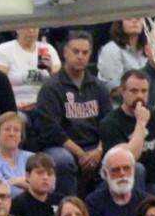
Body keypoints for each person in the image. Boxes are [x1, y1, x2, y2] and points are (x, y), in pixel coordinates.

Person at [30, 31, 111, 196]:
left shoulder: (98, 87)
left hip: (94, 147)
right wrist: (80, 154)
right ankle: (66, 210)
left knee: (119, 158)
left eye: (85, 52)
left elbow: (109, 123)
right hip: (61, 147)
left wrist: (99, 151)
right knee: (63, 160)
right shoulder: (51, 87)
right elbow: (51, 129)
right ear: (65, 53)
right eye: (76, 51)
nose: (80, 56)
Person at [99, 69, 155, 200]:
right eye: (134, 91)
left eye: (144, 91)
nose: (139, 96)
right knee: (137, 168)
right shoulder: (110, 123)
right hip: (118, 186)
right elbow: (130, 157)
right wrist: (141, 123)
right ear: (123, 92)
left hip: (150, 183)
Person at [84, 146, 147, 216]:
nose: (122, 174)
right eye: (115, 170)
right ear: (105, 173)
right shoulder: (93, 203)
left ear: (134, 171)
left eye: (126, 168)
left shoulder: (146, 202)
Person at [0, 28, 60, 113]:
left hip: (43, 106)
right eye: (27, 27)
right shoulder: (4, 49)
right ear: (17, 29)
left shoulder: (48, 49)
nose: (31, 30)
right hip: (15, 106)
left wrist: (50, 70)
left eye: (34, 27)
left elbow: (60, 83)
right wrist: (12, 105)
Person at [0, 112, 31, 197]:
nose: (12, 134)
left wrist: (13, 181)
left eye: (16, 130)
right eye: (7, 129)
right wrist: (28, 183)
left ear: (21, 136)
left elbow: (46, 186)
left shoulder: (31, 158)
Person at [97, 19, 148, 97]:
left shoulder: (147, 49)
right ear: (120, 22)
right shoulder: (111, 49)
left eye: (138, 17)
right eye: (128, 18)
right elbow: (114, 88)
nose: (134, 21)